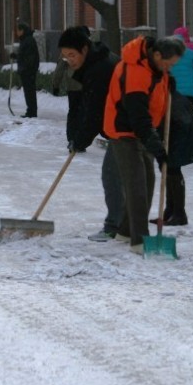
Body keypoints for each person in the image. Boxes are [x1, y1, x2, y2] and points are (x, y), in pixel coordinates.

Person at [103, 35, 184, 254]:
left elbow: (153, 102)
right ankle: (139, 240)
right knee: (137, 183)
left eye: (173, 65)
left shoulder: (155, 68)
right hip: (123, 129)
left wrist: (167, 85)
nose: (169, 67)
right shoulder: (135, 71)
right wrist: (156, 146)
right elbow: (137, 114)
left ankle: (126, 231)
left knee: (147, 179)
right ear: (157, 54)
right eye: (168, 63)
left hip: (141, 130)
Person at [57, 26, 124, 243]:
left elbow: (94, 112)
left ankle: (116, 226)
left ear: (84, 49)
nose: (69, 60)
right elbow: (84, 107)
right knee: (123, 178)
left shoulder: (99, 69)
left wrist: (80, 141)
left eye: (72, 55)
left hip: (127, 126)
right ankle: (126, 226)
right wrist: (77, 135)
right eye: (65, 56)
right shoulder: (98, 61)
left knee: (113, 176)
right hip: (125, 124)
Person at [156, 31, 193, 226]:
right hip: (177, 102)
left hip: (176, 107)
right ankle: (170, 209)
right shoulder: (191, 52)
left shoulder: (169, 59)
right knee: (167, 163)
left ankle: (179, 212)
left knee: (172, 162)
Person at [13, 21, 40, 118]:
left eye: (18, 30)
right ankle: (30, 110)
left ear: (22, 31)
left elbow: (29, 57)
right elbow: (23, 55)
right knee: (28, 92)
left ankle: (32, 112)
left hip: (28, 71)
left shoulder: (28, 41)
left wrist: (25, 69)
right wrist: (16, 56)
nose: (17, 33)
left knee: (29, 92)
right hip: (27, 70)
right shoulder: (25, 40)